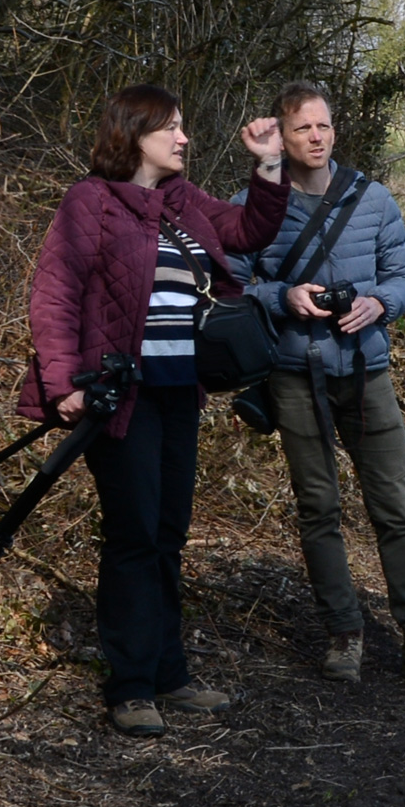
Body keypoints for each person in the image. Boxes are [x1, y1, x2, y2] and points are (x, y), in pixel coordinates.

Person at [20, 84, 289, 738]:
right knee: (134, 535)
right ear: (133, 134)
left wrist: (269, 165)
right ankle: (132, 685)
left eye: (183, 127)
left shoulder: (182, 202)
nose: (183, 138)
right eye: (170, 127)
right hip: (122, 396)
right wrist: (62, 386)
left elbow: (250, 227)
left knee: (168, 533)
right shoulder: (92, 202)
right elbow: (54, 294)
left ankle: (171, 674)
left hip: (178, 392)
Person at [229, 82, 405, 685]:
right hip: (292, 374)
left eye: (324, 126)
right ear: (280, 136)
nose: (316, 136)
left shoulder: (373, 199)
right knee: (319, 508)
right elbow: (228, 289)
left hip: (367, 370)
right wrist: (281, 297)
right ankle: (344, 636)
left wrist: (380, 303)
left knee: (395, 507)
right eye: (303, 127)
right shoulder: (253, 205)